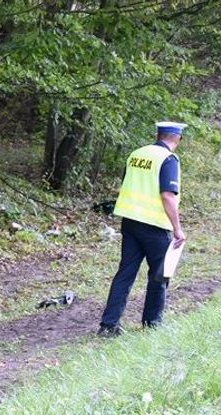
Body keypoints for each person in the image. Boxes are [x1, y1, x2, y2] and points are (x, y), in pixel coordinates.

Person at [97, 121, 187, 337]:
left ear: (157, 134)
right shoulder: (168, 159)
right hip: (155, 225)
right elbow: (167, 195)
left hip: (130, 222)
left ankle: (108, 325)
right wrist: (177, 228)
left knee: (125, 273)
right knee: (160, 275)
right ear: (177, 139)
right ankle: (152, 323)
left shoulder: (136, 154)